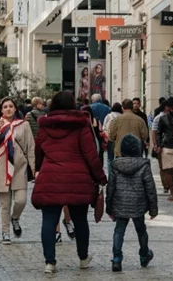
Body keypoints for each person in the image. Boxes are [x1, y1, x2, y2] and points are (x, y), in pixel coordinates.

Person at [32, 91, 107, 274]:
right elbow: (90, 155)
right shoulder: (81, 125)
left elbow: (38, 151)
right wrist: (100, 177)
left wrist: (40, 168)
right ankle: (83, 257)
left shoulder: (45, 126)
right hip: (77, 179)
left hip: (50, 177)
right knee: (80, 220)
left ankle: (50, 262)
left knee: (49, 220)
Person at [0, 98, 36, 245]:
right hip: (1, 169)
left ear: (15, 109)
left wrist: (34, 169)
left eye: (11, 106)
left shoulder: (24, 125)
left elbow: (30, 147)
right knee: (5, 205)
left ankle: (15, 218)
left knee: (21, 200)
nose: (8, 109)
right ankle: (5, 232)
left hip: (19, 169)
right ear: (1, 110)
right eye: (5, 107)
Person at [106, 135, 158, 272]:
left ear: (122, 150)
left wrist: (109, 208)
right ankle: (144, 254)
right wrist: (153, 209)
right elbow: (150, 188)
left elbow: (110, 188)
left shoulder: (115, 165)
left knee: (119, 231)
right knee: (141, 230)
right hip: (138, 205)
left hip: (120, 204)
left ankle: (117, 258)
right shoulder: (144, 165)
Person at [154, 97, 173, 201]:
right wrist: (158, 145)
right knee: (168, 171)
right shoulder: (163, 118)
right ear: (168, 108)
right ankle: (171, 192)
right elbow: (158, 132)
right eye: (172, 108)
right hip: (167, 146)